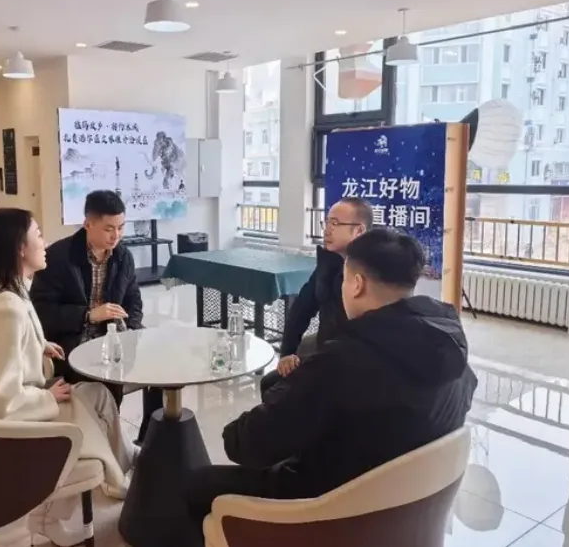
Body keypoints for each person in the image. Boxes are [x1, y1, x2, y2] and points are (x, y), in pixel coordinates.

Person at [186, 228, 478, 533]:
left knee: (197, 484)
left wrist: (293, 390)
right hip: (402, 507)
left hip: (330, 509)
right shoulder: (450, 346)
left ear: (357, 284)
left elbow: (245, 445)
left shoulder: (341, 363)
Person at [0, 208, 137, 547]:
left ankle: (125, 461)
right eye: (39, 235)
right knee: (82, 408)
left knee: (98, 394)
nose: (45, 244)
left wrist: (36, 343)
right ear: (20, 247)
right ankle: (52, 515)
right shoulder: (7, 309)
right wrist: (46, 398)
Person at [30, 190, 162, 443]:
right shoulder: (59, 257)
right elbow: (42, 312)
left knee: (158, 365)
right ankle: (106, 440)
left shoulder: (123, 256)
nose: (116, 236)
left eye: (121, 227)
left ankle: (148, 439)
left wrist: (131, 326)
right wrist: (88, 315)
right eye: (109, 229)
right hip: (73, 338)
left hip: (114, 334)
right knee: (109, 376)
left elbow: (134, 301)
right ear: (87, 224)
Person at [259, 197, 372, 398]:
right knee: (271, 383)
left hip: (353, 363)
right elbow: (301, 310)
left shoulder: (372, 273)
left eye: (335, 223)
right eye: (326, 222)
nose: (327, 230)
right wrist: (287, 354)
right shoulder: (328, 263)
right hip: (325, 350)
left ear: (359, 231)